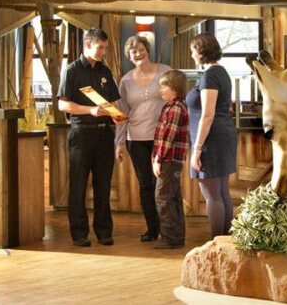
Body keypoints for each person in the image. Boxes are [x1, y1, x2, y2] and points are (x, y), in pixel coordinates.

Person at [58, 28, 120, 247]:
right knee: (78, 185)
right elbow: (62, 104)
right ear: (88, 44)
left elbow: (112, 102)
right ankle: (79, 233)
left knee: (103, 184)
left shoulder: (105, 71)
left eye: (105, 48)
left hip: (104, 133)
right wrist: (90, 110)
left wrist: (117, 115)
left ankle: (104, 231)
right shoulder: (72, 70)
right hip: (81, 133)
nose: (103, 52)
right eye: (100, 47)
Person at [115, 35, 171, 242]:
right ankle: (152, 228)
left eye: (141, 49)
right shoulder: (125, 80)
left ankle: (168, 228)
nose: (138, 54)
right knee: (146, 185)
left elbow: (176, 101)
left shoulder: (165, 72)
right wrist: (119, 142)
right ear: (129, 56)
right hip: (135, 138)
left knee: (162, 184)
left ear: (148, 50)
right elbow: (122, 113)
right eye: (133, 52)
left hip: (162, 138)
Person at [186, 33, 238, 239]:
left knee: (212, 195)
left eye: (193, 51)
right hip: (223, 135)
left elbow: (207, 115)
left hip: (212, 138)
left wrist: (197, 149)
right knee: (222, 193)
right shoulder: (222, 72)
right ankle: (225, 242)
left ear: (201, 51)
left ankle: (216, 243)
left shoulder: (210, 76)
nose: (192, 55)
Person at [152, 70, 190, 249]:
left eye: (163, 86)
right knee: (173, 197)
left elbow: (168, 137)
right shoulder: (171, 107)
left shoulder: (175, 109)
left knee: (163, 198)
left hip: (169, 160)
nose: (160, 90)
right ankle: (176, 236)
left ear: (173, 88)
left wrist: (158, 158)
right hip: (170, 160)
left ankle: (169, 237)